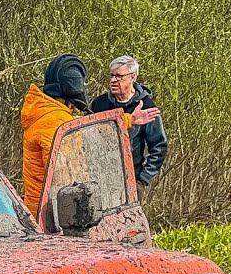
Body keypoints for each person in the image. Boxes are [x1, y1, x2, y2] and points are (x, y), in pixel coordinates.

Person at [21, 54, 159, 218]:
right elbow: (68, 179)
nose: (114, 80)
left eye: (119, 76)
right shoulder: (57, 122)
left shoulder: (45, 112)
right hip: (49, 217)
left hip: (41, 209)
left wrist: (129, 120)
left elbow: (86, 128)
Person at [91, 55, 169, 193]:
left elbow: (159, 146)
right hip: (100, 181)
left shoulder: (146, 107)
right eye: (112, 76)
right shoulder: (99, 104)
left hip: (131, 181)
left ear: (133, 77)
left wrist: (142, 180)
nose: (113, 80)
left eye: (119, 76)